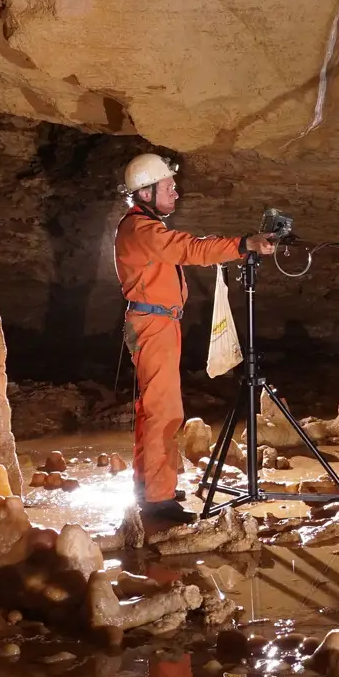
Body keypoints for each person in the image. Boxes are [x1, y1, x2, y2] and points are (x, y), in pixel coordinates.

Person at [115, 153, 276, 525]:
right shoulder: (142, 229)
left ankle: (150, 484)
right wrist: (243, 244)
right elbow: (189, 249)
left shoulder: (141, 226)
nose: (176, 191)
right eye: (169, 187)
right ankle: (157, 499)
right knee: (164, 411)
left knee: (152, 408)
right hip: (154, 326)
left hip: (156, 323)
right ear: (147, 192)